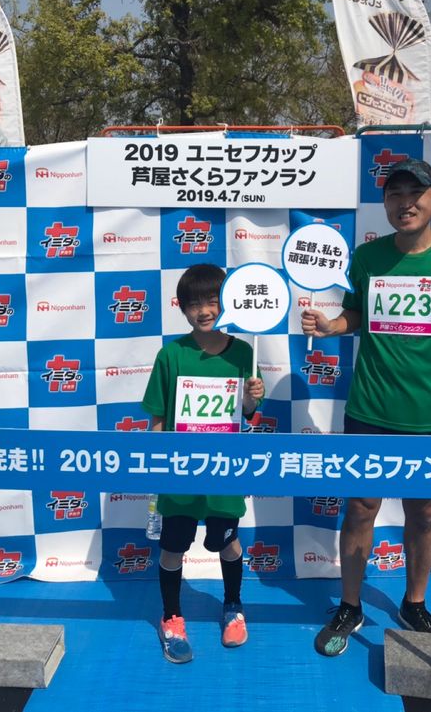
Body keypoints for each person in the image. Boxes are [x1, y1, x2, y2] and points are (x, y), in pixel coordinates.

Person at [301, 158, 431, 657]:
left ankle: (414, 602)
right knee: (361, 508)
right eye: (394, 195)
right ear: (384, 204)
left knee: (425, 515)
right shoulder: (367, 259)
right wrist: (330, 326)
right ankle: (350, 605)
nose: (404, 203)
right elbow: (356, 315)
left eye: (416, 193)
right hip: (368, 410)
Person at [143, 263, 265, 664]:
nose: (204, 310)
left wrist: (251, 398)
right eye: (194, 303)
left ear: (227, 302)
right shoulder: (171, 354)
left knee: (227, 543)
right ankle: (171, 616)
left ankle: (233, 606)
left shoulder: (245, 352)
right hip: (180, 474)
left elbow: (248, 413)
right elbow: (157, 420)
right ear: (183, 308)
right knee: (171, 548)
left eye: (212, 300)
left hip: (224, 474)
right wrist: (160, 467)